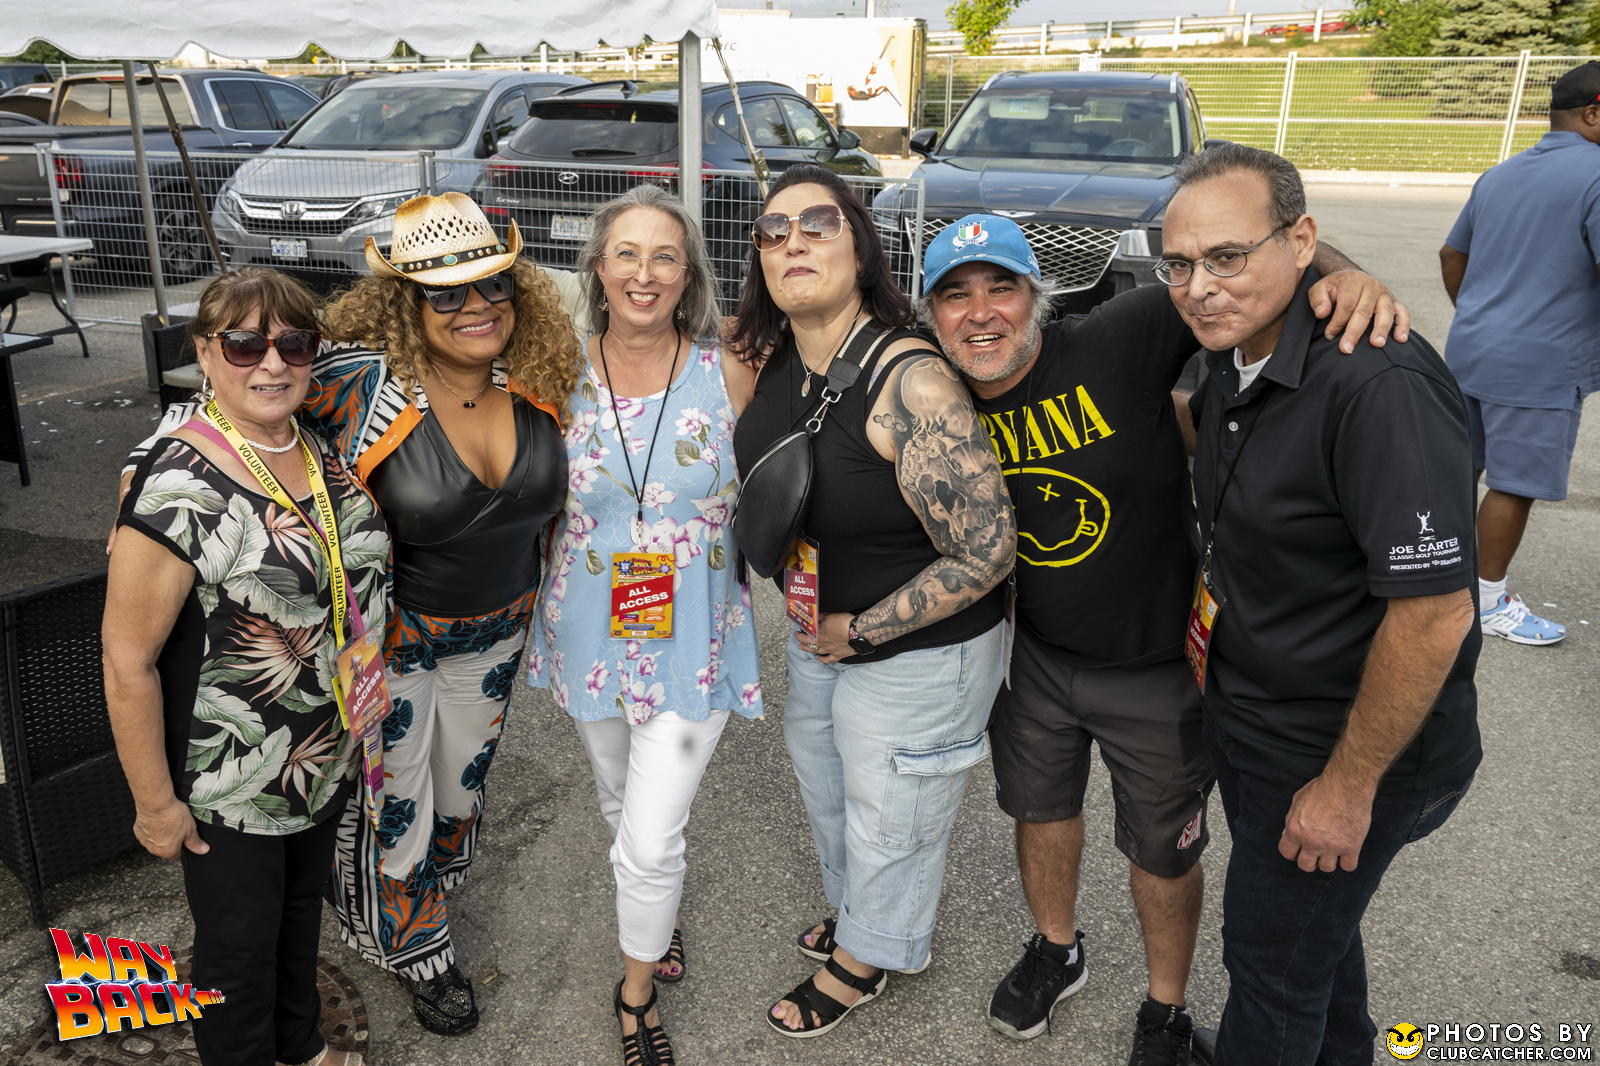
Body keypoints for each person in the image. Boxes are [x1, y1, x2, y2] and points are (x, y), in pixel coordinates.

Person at [917, 210, 1409, 1064]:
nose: (982, 312)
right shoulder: (933, 393)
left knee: (1162, 848)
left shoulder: (1118, 336)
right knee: (1040, 812)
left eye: (1002, 287)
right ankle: (1057, 950)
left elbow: (1244, 268)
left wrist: (1341, 275)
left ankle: (1166, 1007)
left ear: (1039, 295)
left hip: (1158, 666)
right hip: (1033, 659)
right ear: (931, 315)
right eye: (955, 296)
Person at [124, 193, 581, 1036]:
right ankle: (414, 945)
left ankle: (403, 898)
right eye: (446, 292)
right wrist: (142, 477)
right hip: (389, 645)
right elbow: (225, 401)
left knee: (460, 793)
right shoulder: (359, 384)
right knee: (394, 805)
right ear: (407, 301)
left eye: (493, 284)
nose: (476, 306)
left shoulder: (543, 376)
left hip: (498, 639)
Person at [1172, 143, 1481, 1065]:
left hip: (1342, 751)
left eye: (1228, 256)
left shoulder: (1379, 385)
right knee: (1313, 942)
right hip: (1257, 721)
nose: (1200, 287)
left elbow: (1435, 613)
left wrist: (1347, 791)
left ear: (1303, 241)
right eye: (1179, 264)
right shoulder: (1236, 345)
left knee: (1271, 971)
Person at [731, 165, 1017, 1038]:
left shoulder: (911, 383)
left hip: (919, 649)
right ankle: (866, 917)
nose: (793, 241)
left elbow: (987, 549)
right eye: (774, 231)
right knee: (829, 784)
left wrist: (864, 629)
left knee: (894, 814)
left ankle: (868, 958)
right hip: (821, 634)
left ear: (860, 250)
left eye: (818, 224)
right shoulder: (777, 358)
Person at [104, 268, 385, 1066]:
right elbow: (126, 661)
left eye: (293, 343)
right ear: (204, 352)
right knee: (235, 951)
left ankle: (299, 1043)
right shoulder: (178, 485)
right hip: (231, 777)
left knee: (298, 917)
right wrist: (154, 806)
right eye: (243, 344)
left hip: (319, 754)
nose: (271, 362)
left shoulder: (311, 443)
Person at [526, 184, 762, 1066]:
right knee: (621, 802)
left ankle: (634, 997)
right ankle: (655, 916)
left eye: (666, 255)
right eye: (627, 252)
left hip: (695, 636)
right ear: (598, 267)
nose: (645, 272)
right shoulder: (555, 372)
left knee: (653, 834)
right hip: (588, 634)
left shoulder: (729, 369)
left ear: (688, 275)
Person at [1438, 59, 1600, 646]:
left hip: (1473, 348)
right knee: (1514, 483)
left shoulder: (1500, 174)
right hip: (1541, 364)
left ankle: (1428, 579)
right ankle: (1484, 603)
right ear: (1594, 113)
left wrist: (1480, 314)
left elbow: (1451, 255)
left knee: (1458, 469)